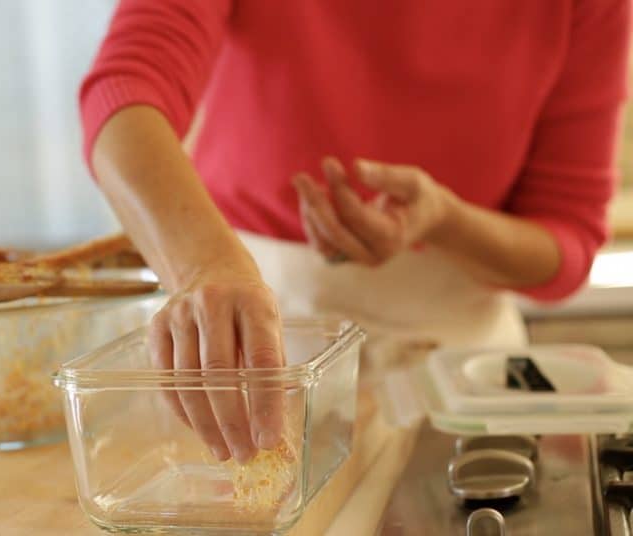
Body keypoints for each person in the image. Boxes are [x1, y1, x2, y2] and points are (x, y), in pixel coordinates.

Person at [79, 0, 630, 465]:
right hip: (247, 366)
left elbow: (567, 243)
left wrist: (444, 221)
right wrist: (203, 266)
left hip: (462, 387)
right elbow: (125, 93)